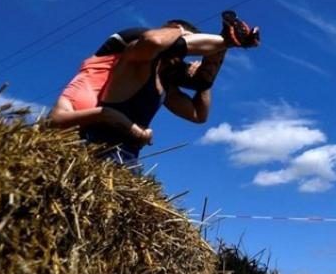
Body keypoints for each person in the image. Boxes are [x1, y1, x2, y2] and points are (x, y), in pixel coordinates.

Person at [49, 11, 260, 165]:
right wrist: (177, 30)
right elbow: (155, 40)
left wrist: (204, 79)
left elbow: (198, 115)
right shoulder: (133, 60)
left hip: (122, 166)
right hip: (88, 156)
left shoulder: (164, 86)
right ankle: (227, 39)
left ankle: (228, 38)